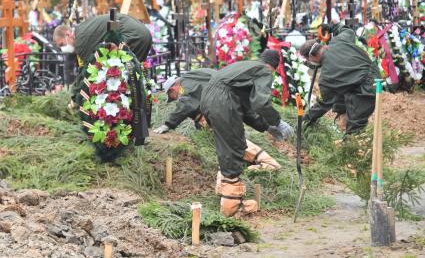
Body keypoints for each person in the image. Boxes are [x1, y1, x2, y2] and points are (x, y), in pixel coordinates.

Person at [200, 50, 294, 217]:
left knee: (226, 145)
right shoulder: (264, 70)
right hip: (223, 101)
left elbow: (247, 109)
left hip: (207, 99)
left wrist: (267, 126)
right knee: (235, 147)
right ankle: (231, 207)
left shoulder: (244, 68)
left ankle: (223, 192)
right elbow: (260, 103)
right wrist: (278, 121)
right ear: (273, 67)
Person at [154, 69, 282, 172]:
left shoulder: (184, 86)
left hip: (219, 109)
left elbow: (186, 105)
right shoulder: (194, 75)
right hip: (224, 103)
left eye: (171, 96)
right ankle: (244, 163)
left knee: (231, 140)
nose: (174, 98)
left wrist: (168, 124)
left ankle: (267, 162)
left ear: (173, 88)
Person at [299, 23, 381, 134]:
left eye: (308, 60)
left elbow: (323, 104)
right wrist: (330, 27)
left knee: (355, 127)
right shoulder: (339, 40)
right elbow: (347, 30)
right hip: (373, 75)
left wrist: (304, 120)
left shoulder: (326, 77)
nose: (309, 63)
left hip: (366, 88)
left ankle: (352, 145)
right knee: (339, 96)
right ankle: (343, 117)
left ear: (312, 57)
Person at [53, 13, 152, 103]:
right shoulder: (80, 31)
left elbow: (89, 71)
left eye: (62, 44)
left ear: (67, 34)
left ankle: (130, 111)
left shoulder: (80, 42)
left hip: (134, 36)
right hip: (140, 32)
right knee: (130, 77)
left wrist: (75, 97)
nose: (63, 49)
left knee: (128, 77)